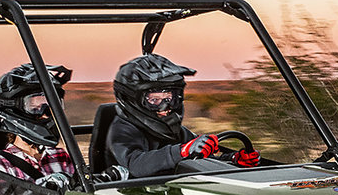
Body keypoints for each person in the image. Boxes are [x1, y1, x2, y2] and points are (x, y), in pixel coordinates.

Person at [107, 54, 260, 178]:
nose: (165, 106)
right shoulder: (122, 129)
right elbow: (136, 166)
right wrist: (182, 151)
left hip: (171, 192)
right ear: (131, 99)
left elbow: (199, 158)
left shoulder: (174, 130)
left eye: (170, 98)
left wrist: (232, 159)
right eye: (155, 100)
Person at [0, 63, 76, 190]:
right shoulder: (2, 163)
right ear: (13, 110)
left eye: (50, 107)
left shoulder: (60, 155)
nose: (46, 115)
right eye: (35, 107)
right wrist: (46, 186)